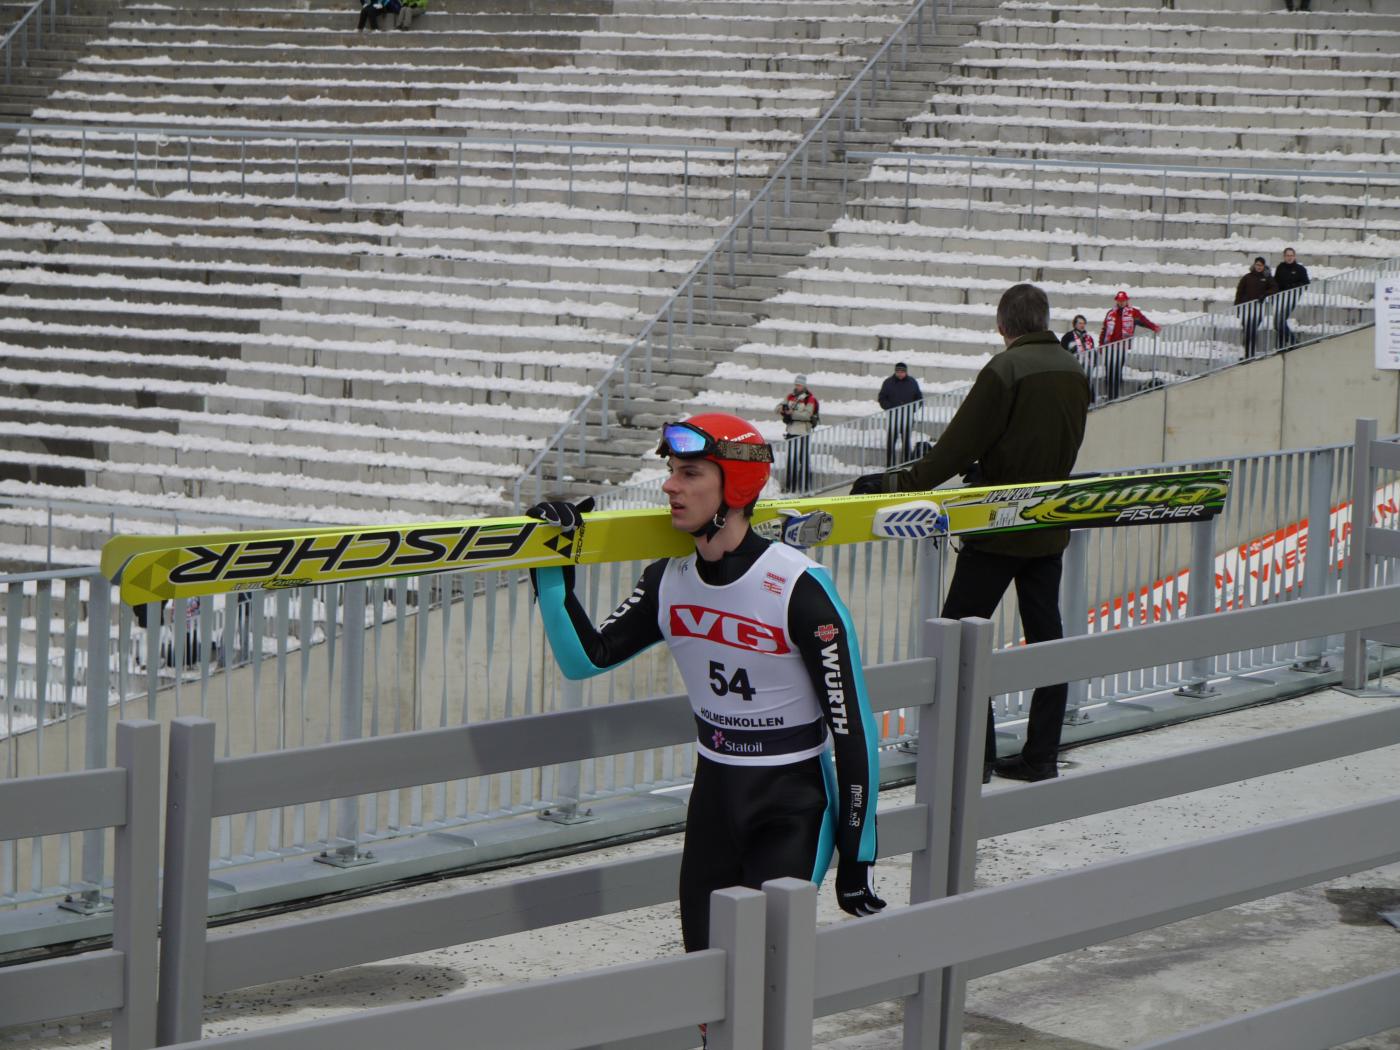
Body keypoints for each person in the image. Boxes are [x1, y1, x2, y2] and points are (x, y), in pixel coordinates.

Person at [526, 412, 886, 960]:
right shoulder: (668, 580)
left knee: (764, 975)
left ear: (734, 487)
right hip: (714, 800)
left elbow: (852, 728)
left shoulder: (797, 585)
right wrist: (551, 564)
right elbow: (585, 659)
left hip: (792, 806)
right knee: (705, 975)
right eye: (671, 470)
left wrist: (858, 856)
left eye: (689, 473)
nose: (670, 485)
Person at [850, 284, 1090, 782]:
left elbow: (955, 449)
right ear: (1044, 320)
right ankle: (1041, 754)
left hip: (998, 527)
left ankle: (973, 757)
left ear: (1003, 326)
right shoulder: (1072, 369)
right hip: (1048, 525)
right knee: (1047, 640)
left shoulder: (1005, 370)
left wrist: (896, 485)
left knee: (957, 637)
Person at [1098, 290, 1159, 400]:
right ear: (1116, 301)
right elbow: (1104, 330)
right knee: (1109, 371)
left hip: (1121, 347)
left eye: (1123, 300)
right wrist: (1101, 345)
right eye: (1119, 300)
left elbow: (1143, 321)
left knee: (1117, 370)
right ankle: (1110, 395)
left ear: (1127, 301)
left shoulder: (1133, 313)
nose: (1121, 302)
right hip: (1109, 347)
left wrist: (1153, 327)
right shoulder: (1110, 313)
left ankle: (1114, 396)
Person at [776, 375, 818, 491]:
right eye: (796, 384)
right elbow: (777, 408)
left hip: (803, 432)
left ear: (804, 385)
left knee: (803, 459)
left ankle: (805, 487)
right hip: (791, 431)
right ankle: (791, 487)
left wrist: (792, 414)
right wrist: (782, 409)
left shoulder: (810, 398)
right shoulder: (790, 396)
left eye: (799, 385)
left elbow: (807, 415)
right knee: (791, 460)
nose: (797, 386)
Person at [877, 362, 923, 467]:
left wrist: (912, 409)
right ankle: (890, 465)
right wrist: (890, 407)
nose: (900, 373)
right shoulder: (888, 382)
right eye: (898, 371)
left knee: (906, 441)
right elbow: (882, 398)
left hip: (907, 417)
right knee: (891, 442)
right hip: (893, 417)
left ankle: (905, 463)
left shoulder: (912, 382)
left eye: (902, 371)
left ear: (906, 372)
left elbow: (919, 398)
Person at [1234, 256, 1278, 359]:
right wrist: (1238, 307)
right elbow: (1239, 292)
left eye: (1261, 265)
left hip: (1258, 308)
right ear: (1254, 265)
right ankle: (1247, 353)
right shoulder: (1247, 277)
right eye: (1257, 265)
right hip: (1246, 308)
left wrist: (1265, 294)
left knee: (1252, 330)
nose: (1259, 267)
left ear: (1264, 266)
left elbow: (1274, 288)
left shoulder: (1267, 277)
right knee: (1247, 330)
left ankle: (1250, 354)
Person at [1273, 247, 1310, 349]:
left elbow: (1306, 283)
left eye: (1291, 255)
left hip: (1291, 298)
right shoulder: (1280, 267)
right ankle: (1283, 345)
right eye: (1287, 255)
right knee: (1277, 323)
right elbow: (1275, 282)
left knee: (1280, 321)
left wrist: (1293, 287)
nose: (1289, 257)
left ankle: (1292, 342)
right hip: (1280, 298)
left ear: (1294, 256)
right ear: (1284, 256)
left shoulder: (1300, 269)